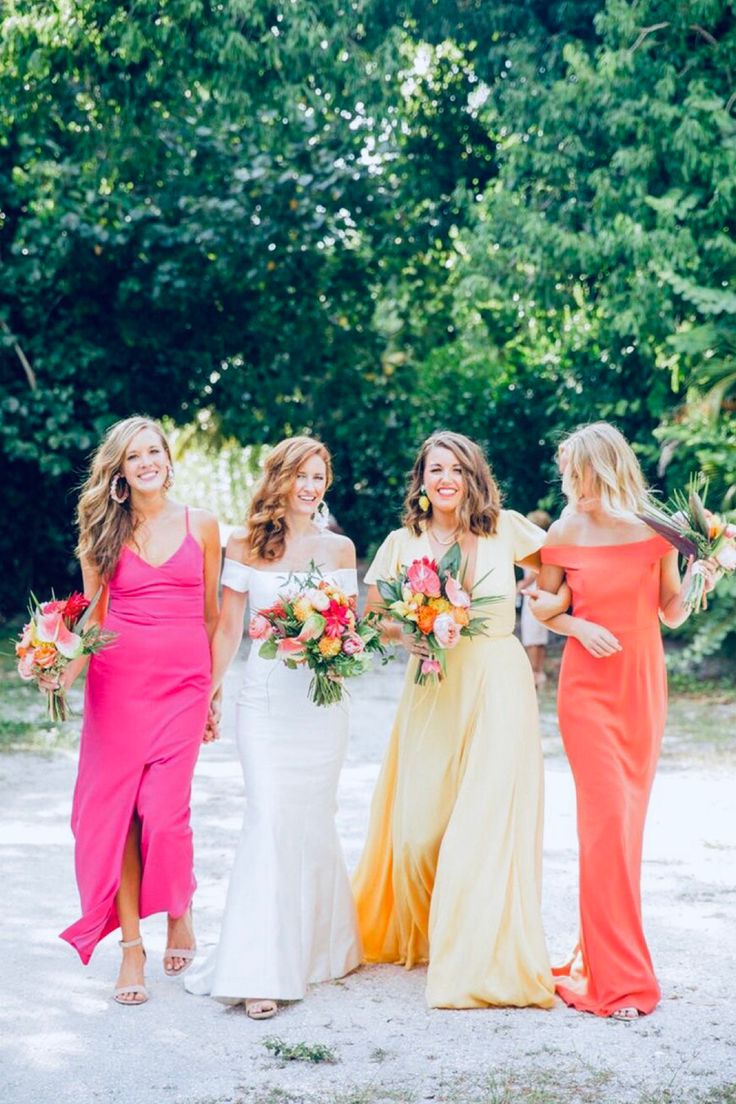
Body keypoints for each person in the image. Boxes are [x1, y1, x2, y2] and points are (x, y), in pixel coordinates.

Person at [352, 431, 568, 1009]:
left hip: (499, 683)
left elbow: (563, 561)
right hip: (433, 687)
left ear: (474, 477)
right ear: (421, 481)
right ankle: (430, 934)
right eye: (435, 469)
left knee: (482, 827)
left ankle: (476, 956)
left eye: (456, 468)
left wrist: (548, 605)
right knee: (418, 832)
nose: (445, 478)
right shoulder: (403, 542)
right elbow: (373, 616)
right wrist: (411, 635)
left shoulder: (508, 529)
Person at [528, 422, 720, 1019]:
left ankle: (599, 957)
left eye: (577, 472)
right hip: (586, 693)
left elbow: (670, 613)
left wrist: (698, 576)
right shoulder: (563, 530)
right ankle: (624, 983)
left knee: (624, 832)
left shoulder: (655, 532)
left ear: (605, 468)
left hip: (642, 689)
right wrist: (577, 625)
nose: (571, 484)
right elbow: (547, 605)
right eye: (567, 473)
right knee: (605, 826)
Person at [185, 436, 361, 1019]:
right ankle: (257, 969)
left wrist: (330, 640)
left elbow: (348, 633)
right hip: (263, 703)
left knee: (312, 818)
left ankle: (316, 947)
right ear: (279, 479)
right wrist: (209, 692)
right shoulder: (243, 543)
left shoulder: (339, 550)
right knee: (268, 818)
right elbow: (230, 626)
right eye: (301, 476)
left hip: (319, 705)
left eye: (319, 477)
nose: (311, 487)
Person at [55, 416, 221, 1004]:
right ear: (120, 471)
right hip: (117, 686)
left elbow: (210, 617)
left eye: (154, 450)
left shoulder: (201, 524)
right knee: (120, 815)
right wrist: (62, 672)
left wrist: (212, 692)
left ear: (168, 459)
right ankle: (131, 949)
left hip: (183, 683)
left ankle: (180, 903)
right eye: (134, 456)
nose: (146, 461)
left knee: (164, 811)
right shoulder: (101, 529)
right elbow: (93, 616)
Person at [518, 509, 552, 689]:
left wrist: (519, 586)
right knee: (539, 634)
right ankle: (538, 670)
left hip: (532, 590)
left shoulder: (533, 544)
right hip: (543, 590)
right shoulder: (546, 542)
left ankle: (534, 670)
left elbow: (532, 572)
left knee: (532, 634)